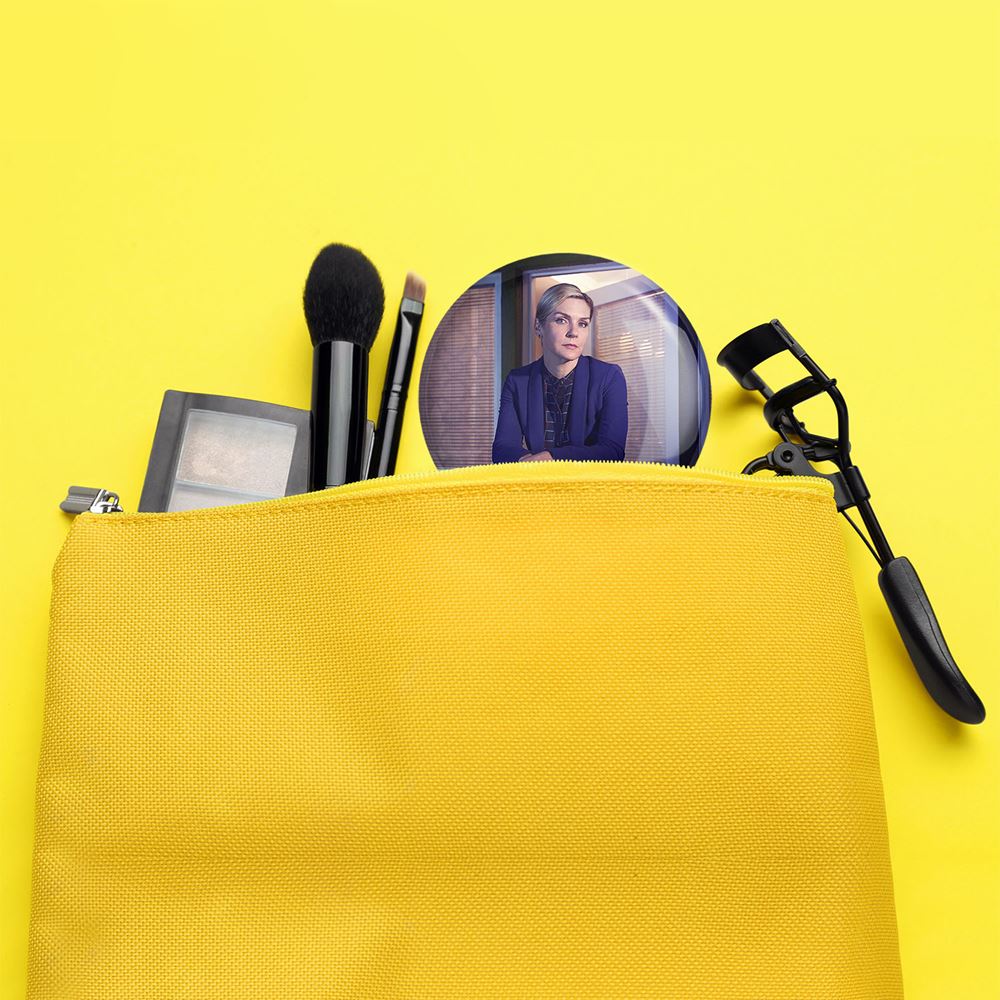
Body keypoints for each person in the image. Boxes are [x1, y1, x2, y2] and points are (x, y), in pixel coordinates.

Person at [491, 283, 628, 463]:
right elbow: (502, 449)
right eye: (562, 320)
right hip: (538, 479)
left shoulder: (609, 377)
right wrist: (531, 465)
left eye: (582, 324)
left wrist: (549, 458)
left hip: (589, 481)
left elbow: (612, 451)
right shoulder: (518, 381)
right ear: (539, 326)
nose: (574, 332)